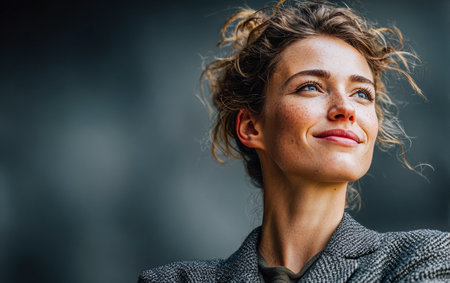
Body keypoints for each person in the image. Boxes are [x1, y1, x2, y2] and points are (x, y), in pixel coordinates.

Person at [138, 0, 450, 282]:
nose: (346, 109)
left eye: (361, 93)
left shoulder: (423, 257)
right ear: (250, 126)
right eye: (311, 87)